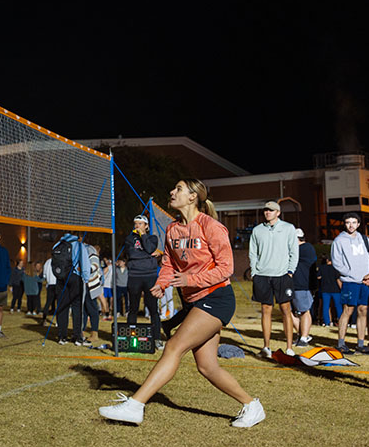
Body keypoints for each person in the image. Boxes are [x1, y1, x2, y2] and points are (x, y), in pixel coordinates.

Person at [98, 179, 265, 428]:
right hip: (192, 302)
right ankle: (252, 406)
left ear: (192, 197)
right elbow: (169, 265)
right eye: (173, 187)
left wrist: (190, 279)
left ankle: (135, 405)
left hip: (216, 299)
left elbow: (226, 268)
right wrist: (162, 283)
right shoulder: (173, 230)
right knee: (207, 367)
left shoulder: (212, 227)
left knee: (174, 346)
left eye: (178, 188)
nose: (171, 191)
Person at [248, 200, 298, 358]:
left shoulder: (288, 228)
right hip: (262, 275)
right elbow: (253, 253)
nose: (267, 212)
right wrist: (255, 272)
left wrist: (290, 271)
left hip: (283, 275)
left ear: (278, 212)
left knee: (286, 310)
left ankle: (289, 347)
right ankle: (266, 347)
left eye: (270, 210)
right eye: (265, 210)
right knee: (265, 310)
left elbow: (294, 251)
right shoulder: (257, 230)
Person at [330, 212, 369, 354]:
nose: (351, 225)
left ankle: (360, 344)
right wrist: (349, 273)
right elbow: (336, 263)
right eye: (348, 222)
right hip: (350, 281)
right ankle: (341, 343)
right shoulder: (339, 240)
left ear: (358, 224)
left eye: (354, 222)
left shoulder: (364, 239)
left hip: (364, 281)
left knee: (363, 310)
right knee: (348, 311)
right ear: (344, 224)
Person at [125, 215, 162, 346]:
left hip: (150, 276)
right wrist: (147, 255)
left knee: (153, 308)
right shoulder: (130, 239)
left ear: (146, 226)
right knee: (133, 308)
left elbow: (150, 248)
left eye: (140, 224)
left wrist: (143, 236)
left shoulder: (152, 238)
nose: (137, 226)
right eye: (136, 224)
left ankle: (157, 338)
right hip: (134, 275)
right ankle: (130, 338)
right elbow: (132, 254)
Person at [53, 233, 91, 345]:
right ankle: (77, 336)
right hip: (75, 277)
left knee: (62, 306)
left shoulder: (58, 244)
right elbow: (85, 263)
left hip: (60, 278)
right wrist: (86, 278)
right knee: (77, 307)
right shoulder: (78, 245)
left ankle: (62, 337)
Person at [291, 228, 317, 347]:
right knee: (288, 311)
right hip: (289, 284)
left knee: (304, 310)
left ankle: (303, 337)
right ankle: (301, 334)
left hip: (302, 284)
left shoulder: (306, 248)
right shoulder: (292, 249)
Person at [316, 255, 341, 327]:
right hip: (335, 290)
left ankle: (327, 322)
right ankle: (340, 320)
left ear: (327, 260)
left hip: (325, 289)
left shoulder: (322, 268)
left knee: (325, 306)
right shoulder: (336, 268)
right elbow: (338, 279)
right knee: (338, 306)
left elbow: (318, 277)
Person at [41, 256, 58, 325]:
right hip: (58, 285)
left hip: (50, 285)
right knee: (59, 303)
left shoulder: (47, 262)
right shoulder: (59, 261)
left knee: (48, 303)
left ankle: (44, 319)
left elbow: (44, 275)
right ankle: (58, 321)